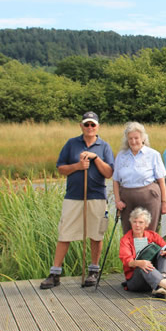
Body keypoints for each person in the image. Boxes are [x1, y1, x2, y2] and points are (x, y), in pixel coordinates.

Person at [40, 111, 114, 289]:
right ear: (81, 126)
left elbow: (109, 173)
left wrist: (95, 159)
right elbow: (61, 168)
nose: (89, 128)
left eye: (92, 125)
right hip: (74, 196)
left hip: (96, 196)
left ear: (98, 127)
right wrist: (78, 166)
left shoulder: (104, 146)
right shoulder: (71, 144)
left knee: (96, 234)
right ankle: (55, 273)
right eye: (86, 124)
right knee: (65, 233)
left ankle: (93, 271)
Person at [113, 122, 166, 234]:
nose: (133, 141)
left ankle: (149, 251)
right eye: (130, 138)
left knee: (149, 231)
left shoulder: (153, 155)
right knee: (129, 231)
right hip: (126, 199)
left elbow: (161, 181)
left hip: (150, 197)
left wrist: (164, 202)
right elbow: (115, 180)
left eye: (136, 138)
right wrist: (118, 200)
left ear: (143, 138)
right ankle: (132, 252)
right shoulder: (121, 155)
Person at [119, 207, 166, 298]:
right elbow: (127, 261)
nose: (137, 225)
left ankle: (159, 287)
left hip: (154, 277)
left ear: (146, 224)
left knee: (164, 253)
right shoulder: (125, 240)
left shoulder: (153, 236)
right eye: (135, 222)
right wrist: (139, 262)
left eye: (141, 222)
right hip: (136, 281)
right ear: (131, 223)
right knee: (143, 265)